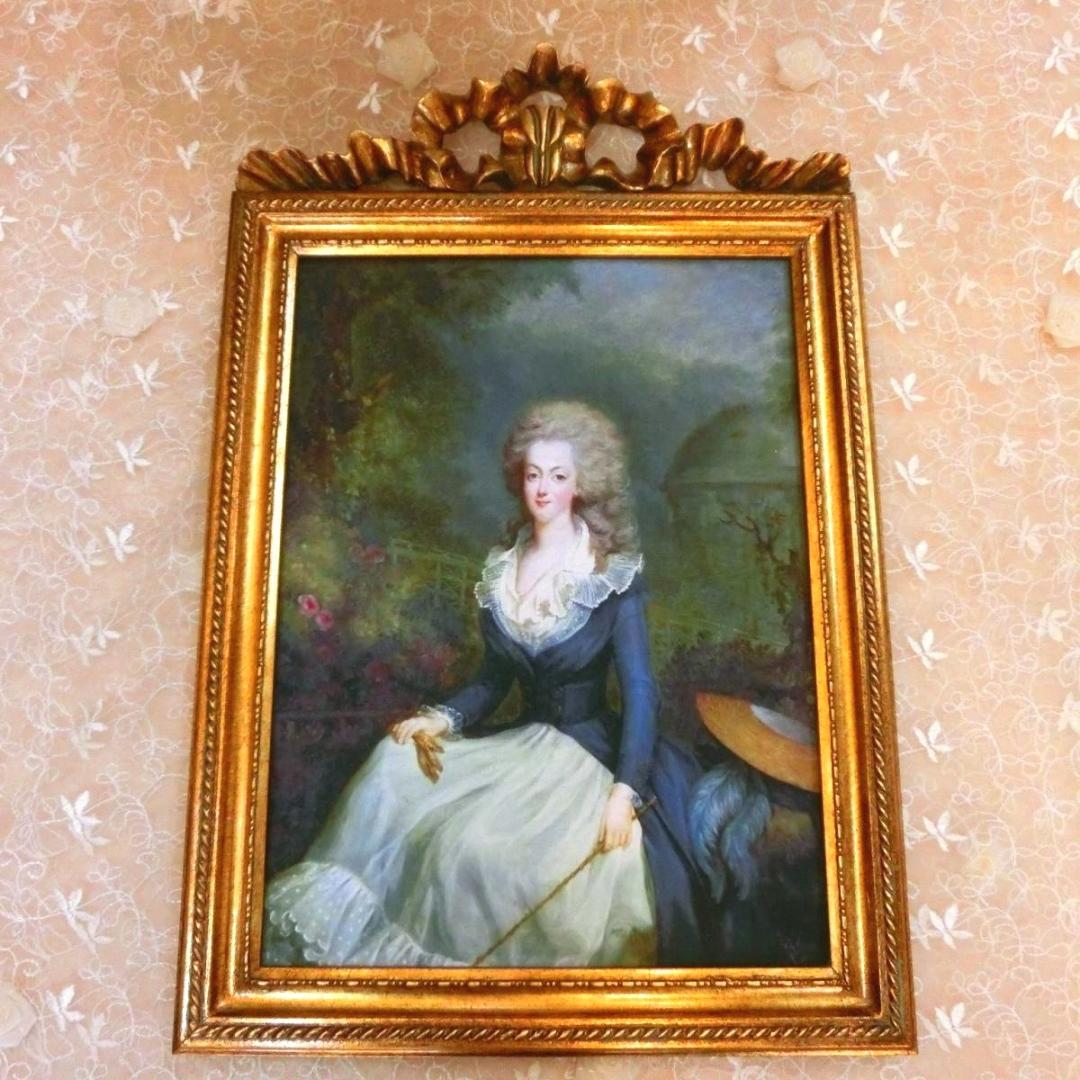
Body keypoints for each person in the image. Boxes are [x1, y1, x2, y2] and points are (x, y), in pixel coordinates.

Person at [263, 400, 708, 967]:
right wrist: (441, 717)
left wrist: (624, 793)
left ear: (581, 485)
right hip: (519, 744)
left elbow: (641, 693)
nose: (542, 488)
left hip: (584, 758)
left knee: (471, 849)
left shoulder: (609, 575)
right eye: (533, 474)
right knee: (392, 764)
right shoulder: (502, 567)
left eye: (558, 476)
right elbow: (493, 679)